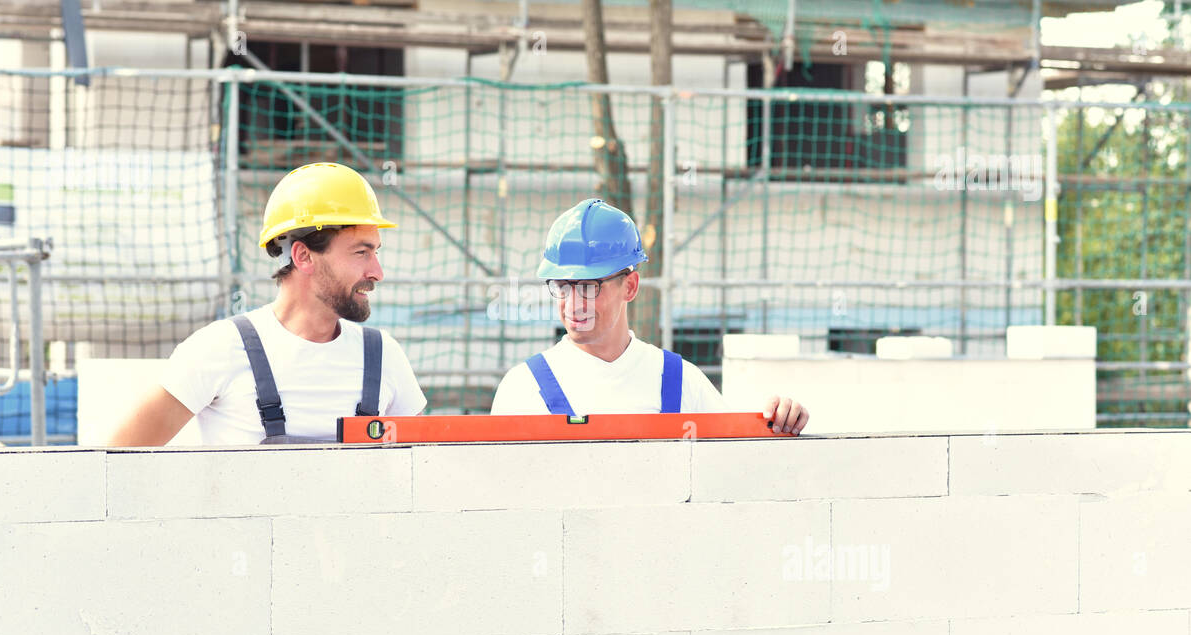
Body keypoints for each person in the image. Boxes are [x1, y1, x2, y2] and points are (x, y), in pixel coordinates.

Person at [107, 162, 426, 445]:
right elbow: (115, 460)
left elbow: (425, 472)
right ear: (304, 256)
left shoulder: (384, 356)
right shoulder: (219, 349)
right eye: (361, 252)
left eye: (375, 252)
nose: (377, 272)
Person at [490, 198, 809, 434]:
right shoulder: (523, 389)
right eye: (562, 286)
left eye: (588, 287)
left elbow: (739, 461)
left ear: (630, 286)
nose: (573, 305)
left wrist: (782, 421)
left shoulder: (681, 382)